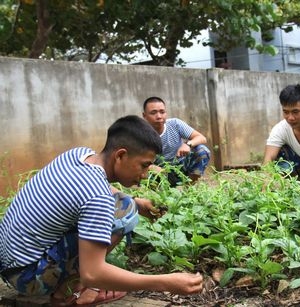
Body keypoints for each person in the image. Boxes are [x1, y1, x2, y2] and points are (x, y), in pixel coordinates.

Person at [0, 115, 203, 306]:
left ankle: (71, 282)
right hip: (27, 278)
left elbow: (103, 188)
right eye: (144, 165)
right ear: (121, 155)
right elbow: (93, 272)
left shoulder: (79, 154)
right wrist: (165, 282)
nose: (144, 175)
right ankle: (73, 292)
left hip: (9, 260)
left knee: (127, 205)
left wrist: (138, 202)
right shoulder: (97, 198)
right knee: (125, 215)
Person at [142, 96, 211, 186]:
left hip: (180, 167)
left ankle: (189, 189)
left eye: (162, 112)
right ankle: (161, 195)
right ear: (144, 116)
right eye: (153, 113)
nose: (159, 116)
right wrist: (150, 167)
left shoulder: (175, 124)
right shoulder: (140, 134)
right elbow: (133, 161)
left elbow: (201, 138)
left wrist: (188, 144)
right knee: (143, 169)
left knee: (202, 151)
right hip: (157, 173)